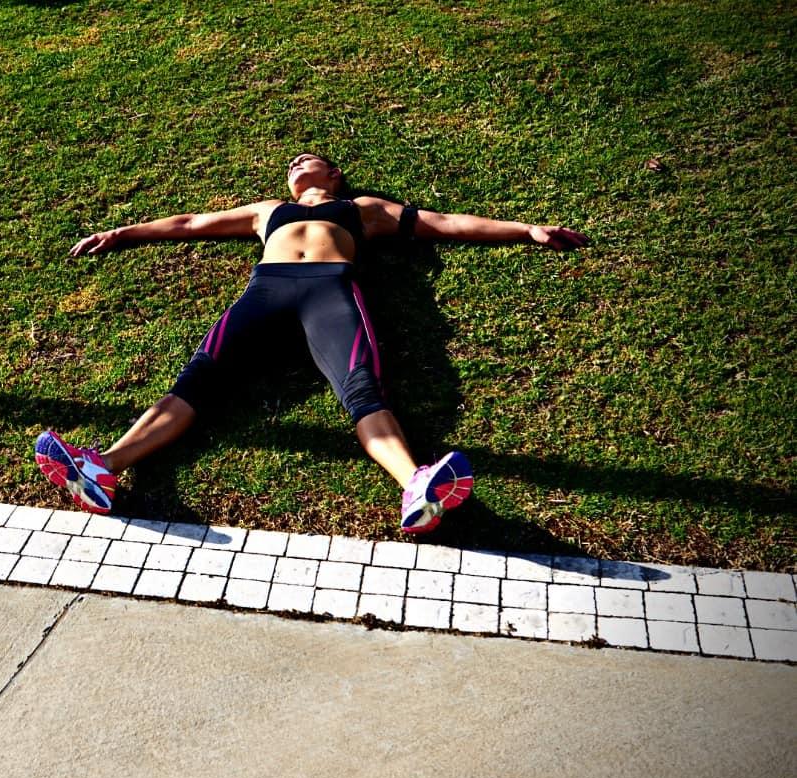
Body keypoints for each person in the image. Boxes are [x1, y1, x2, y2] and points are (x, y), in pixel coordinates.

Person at [35, 153, 589, 533]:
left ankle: (416, 486)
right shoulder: (266, 212)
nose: (297, 164)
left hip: (331, 293)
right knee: (198, 379)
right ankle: (102, 467)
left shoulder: (363, 209)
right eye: (292, 164)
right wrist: (123, 233)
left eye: (310, 159)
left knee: (362, 391)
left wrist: (525, 229)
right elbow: (188, 223)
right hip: (266, 292)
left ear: (336, 174)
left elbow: (443, 223)